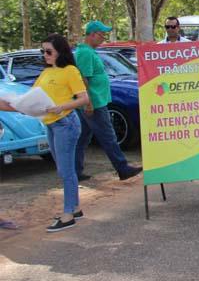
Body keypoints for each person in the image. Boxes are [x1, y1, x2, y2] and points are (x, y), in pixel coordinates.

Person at [0, 34, 89, 232]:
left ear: (60, 51)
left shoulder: (70, 71)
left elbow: (83, 99)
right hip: (51, 124)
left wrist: (61, 106)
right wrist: (14, 104)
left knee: (65, 171)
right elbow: (31, 98)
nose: (45, 55)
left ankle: (68, 215)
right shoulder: (47, 72)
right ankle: (74, 209)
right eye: (43, 51)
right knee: (64, 169)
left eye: (49, 51)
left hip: (65, 123)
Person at [74, 21, 142, 181]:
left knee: (83, 138)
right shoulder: (85, 53)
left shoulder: (89, 51)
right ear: (92, 34)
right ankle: (122, 168)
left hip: (96, 101)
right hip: (95, 103)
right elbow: (83, 79)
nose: (103, 38)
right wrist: (88, 103)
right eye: (101, 34)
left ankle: (75, 171)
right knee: (108, 136)